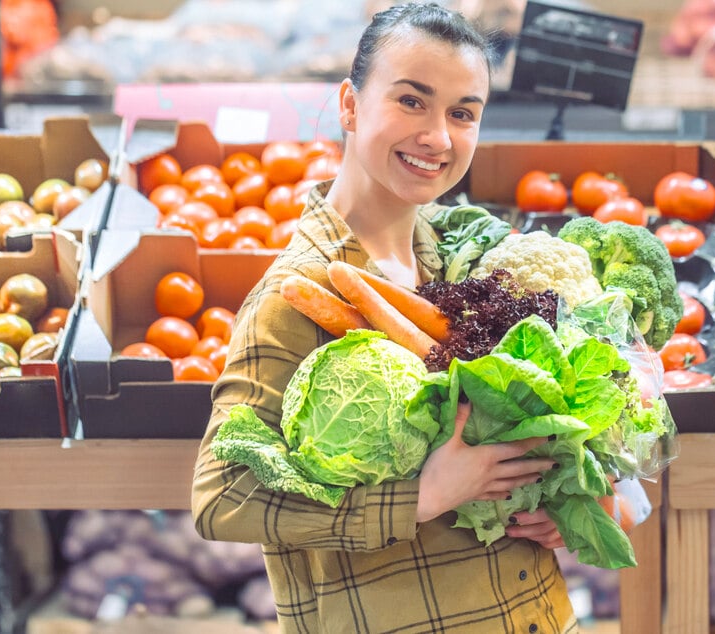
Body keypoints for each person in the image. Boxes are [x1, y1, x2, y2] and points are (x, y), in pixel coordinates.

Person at [192, 3, 580, 632]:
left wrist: (560, 499)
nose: (438, 137)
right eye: (411, 101)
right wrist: (423, 497)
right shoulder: (295, 294)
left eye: (462, 113)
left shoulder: (461, 258)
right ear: (350, 105)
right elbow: (220, 497)